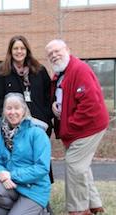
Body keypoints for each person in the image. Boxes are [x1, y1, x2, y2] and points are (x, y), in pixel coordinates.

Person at [46, 39, 109, 215]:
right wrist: (55, 106)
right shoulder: (61, 73)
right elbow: (65, 96)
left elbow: (90, 104)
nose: (54, 55)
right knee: (82, 166)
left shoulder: (79, 69)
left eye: (57, 51)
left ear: (67, 49)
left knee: (75, 166)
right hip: (76, 128)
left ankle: (79, 210)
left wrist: (69, 123)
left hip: (87, 127)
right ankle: (94, 204)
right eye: (50, 54)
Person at [0, 93, 51, 215]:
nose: (12, 112)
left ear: (24, 110)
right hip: (13, 186)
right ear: (4, 111)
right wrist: (0, 174)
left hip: (33, 189)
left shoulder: (37, 133)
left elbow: (42, 168)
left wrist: (11, 175)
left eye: (16, 108)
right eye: (8, 108)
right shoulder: (3, 134)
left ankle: (40, 210)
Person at [0, 35, 53, 136]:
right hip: (13, 129)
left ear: (27, 50)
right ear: (10, 51)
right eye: (15, 48)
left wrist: (46, 115)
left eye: (22, 48)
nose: (19, 51)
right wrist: (5, 123)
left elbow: (49, 95)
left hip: (39, 126)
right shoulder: (2, 73)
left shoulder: (39, 70)